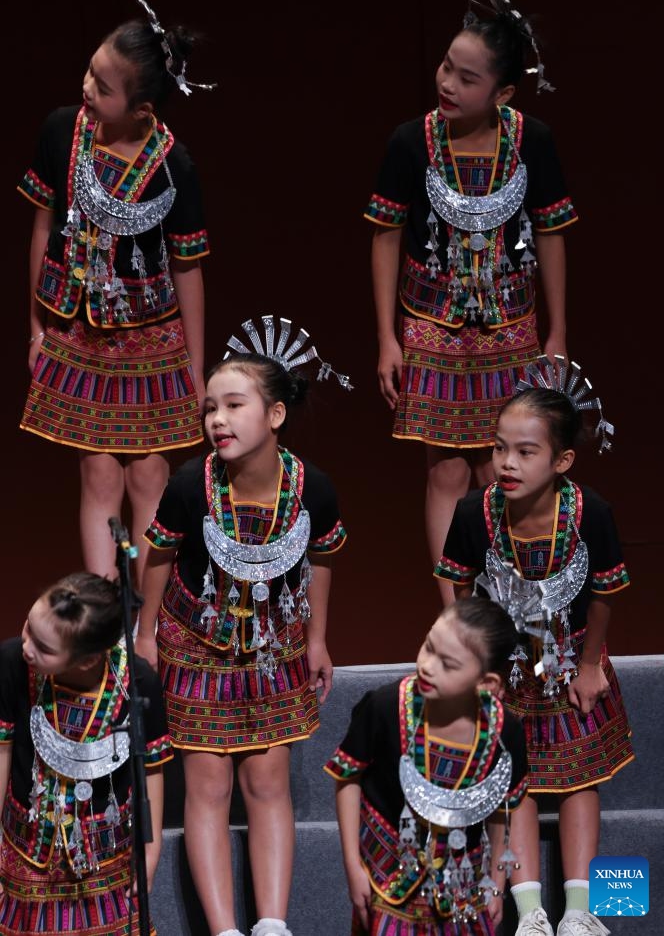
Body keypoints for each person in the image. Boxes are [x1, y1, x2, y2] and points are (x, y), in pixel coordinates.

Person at [135, 315, 350, 936]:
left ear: (275, 415)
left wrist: (316, 639)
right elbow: (158, 557)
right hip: (195, 644)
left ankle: (272, 924)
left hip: (274, 647)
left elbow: (322, 561)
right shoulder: (189, 484)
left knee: (267, 783)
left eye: (234, 405)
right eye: (210, 408)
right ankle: (226, 930)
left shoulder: (314, 488)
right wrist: (146, 635)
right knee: (206, 787)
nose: (217, 419)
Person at [365, 0, 578, 566]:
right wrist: (388, 338)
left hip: (511, 326)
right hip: (431, 325)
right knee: (446, 472)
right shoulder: (410, 141)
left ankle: (504, 597)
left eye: (467, 78)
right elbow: (385, 237)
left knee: (500, 468)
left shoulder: (533, 141)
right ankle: (453, 608)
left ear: (502, 92)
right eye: (445, 67)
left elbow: (551, 233)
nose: (448, 84)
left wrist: (557, 331)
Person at [19, 0, 215, 583]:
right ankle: (107, 610)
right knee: (99, 473)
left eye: (102, 87)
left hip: (151, 341)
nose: (87, 88)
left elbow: (187, 269)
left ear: (141, 108)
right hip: (79, 332)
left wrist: (194, 369)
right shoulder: (62, 131)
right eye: (90, 72)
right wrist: (36, 328)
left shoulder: (174, 164)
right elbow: (43, 228)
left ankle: (147, 617)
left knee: (149, 475)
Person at [435, 360, 632, 936]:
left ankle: (580, 911)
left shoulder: (592, 512)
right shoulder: (473, 513)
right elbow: (462, 591)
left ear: (562, 460)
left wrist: (590, 665)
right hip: (506, 667)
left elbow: (603, 596)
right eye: (500, 449)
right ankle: (531, 914)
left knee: (578, 780)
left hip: (572, 661)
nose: (507, 463)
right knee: (511, 779)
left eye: (525, 452)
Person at [325, 595, 529, 935]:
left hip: (463, 884)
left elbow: (503, 809)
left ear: (487, 683)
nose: (428, 666)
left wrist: (496, 882)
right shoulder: (384, 707)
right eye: (428, 647)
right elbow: (348, 777)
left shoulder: (506, 733)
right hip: (388, 874)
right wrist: (352, 865)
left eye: (448, 664)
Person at [0, 571, 173, 936]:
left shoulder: (138, 681)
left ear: (87, 660)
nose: (27, 646)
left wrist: (151, 848)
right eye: (29, 628)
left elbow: (152, 771)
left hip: (106, 856)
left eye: (44, 648)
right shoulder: (12, 662)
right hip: (27, 849)